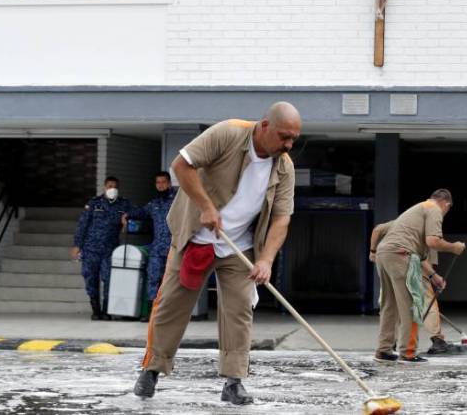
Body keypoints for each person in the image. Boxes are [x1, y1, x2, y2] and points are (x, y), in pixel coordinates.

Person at [133, 103, 300, 405]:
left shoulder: (284, 166)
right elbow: (181, 165)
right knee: (172, 303)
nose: (288, 145)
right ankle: (152, 369)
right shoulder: (228, 133)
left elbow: (281, 218)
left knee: (239, 310)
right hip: (196, 237)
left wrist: (266, 259)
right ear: (264, 126)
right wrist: (206, 207)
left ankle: (233, 381)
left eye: (293, 139)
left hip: (239, 245)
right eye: (283, 136)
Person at [372, 189, 465, 365]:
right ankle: (408, 352)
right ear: (446, 204)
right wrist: (454, 247)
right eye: (448, 210)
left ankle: (383, 350)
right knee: (412, 305)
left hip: (386, 254)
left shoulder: (415, 211)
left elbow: (417, 252)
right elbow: (433, 242)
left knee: (389, 305)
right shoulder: (434, 209)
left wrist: (433, 276)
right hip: (401, 255)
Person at [370, 222, 448, 355]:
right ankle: (434, 340)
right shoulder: (430, 231)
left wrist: (373, 251)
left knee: (391, 303)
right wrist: (433, 276)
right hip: (405, 264)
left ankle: (391, 343)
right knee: (422, 303)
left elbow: (377, 229)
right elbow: (426, 260)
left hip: (395, 264)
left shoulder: (403, 223)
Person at [71, 176, 133, 321]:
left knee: (108, 279)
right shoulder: (94, 203)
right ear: (105, 187)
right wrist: (77, 245)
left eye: (115, 186)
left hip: (109, 249)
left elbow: (134, 215)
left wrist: (127, 220)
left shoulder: (123, 204)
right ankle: (96, 310)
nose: (112, 189)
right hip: (91, 249)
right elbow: (83, 225)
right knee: (90, 280)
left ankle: (106, 311)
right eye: (109, 186)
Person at [125, 171, 177, 322]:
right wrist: (126, 214)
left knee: (171, 282)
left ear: (169, 183)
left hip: (173, 249)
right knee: (153, 279)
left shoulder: (177, 201)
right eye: (158, 183)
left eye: (163, 182)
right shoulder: (154, 203)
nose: (160, 185)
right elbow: (140, 212)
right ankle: (151, 313)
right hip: (157, 249)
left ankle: (170, 313)